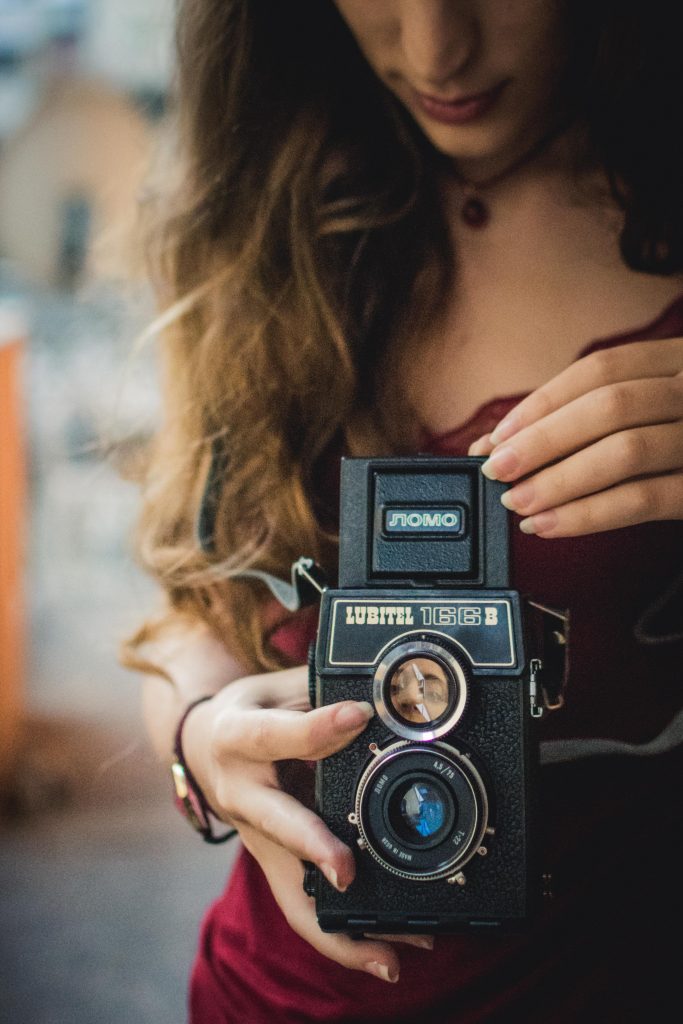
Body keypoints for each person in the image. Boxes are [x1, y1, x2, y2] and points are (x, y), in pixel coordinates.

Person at [128, 1, 683, 1021]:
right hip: (274, 990)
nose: (434, 49)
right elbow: (192, 600)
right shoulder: (266, 213)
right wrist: (203, 738)